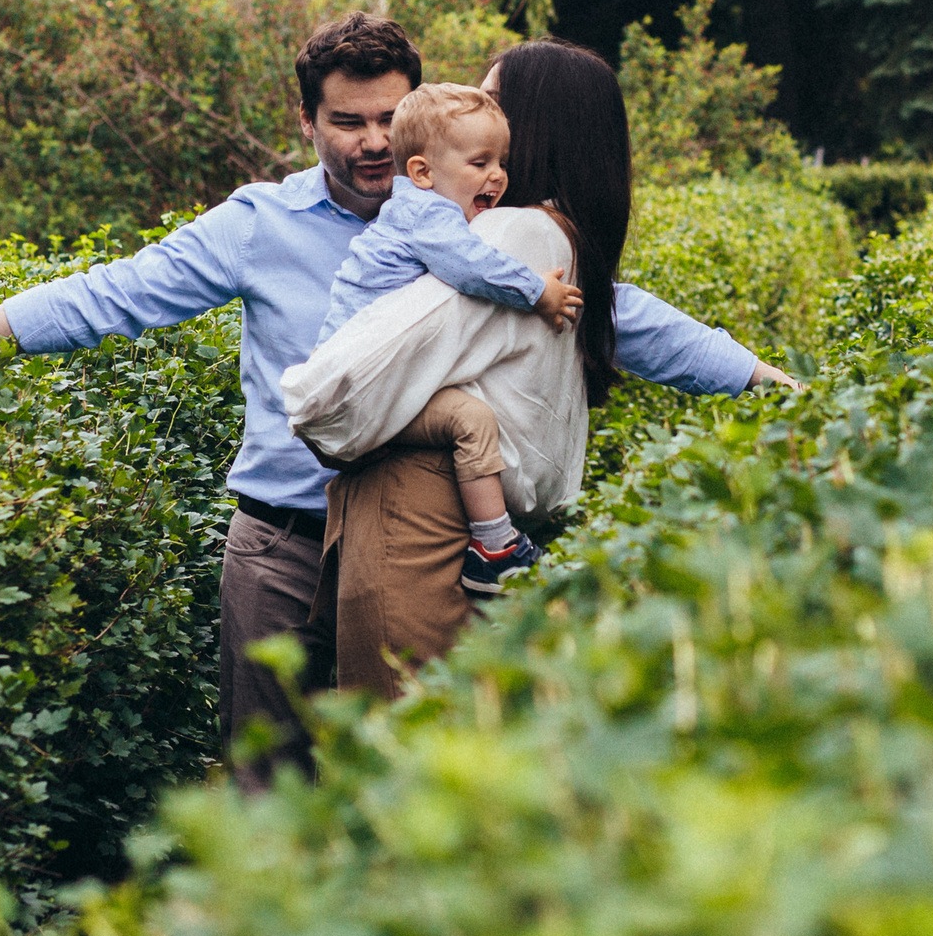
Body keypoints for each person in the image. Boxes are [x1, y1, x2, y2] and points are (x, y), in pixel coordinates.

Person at [0, 12, 792, 786]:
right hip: (279, 545)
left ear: (424, 122)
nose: (369, 142)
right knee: (265, 787)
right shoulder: (261, 223)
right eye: (345, 121)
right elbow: (108, 295)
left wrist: (765, 381)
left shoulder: (480, 231)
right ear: (307, 120)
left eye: (389, 119)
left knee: (401, 780)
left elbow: (625, 318)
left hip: (413, 546)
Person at [287, 35, 692, 704]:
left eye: (495, 100)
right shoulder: (527, 239)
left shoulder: (515, 236)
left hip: (414, 520)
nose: (475, 108)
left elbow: (345, 386)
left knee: (407, 740)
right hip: (435, 517)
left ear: (537, 125)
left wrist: (307, 404)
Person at [309, 80, 581, 595]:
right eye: (480, 163)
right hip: (357, 391)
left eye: (502, 161)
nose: (498, 175)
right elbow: (471, 267)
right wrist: (536, 290)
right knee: (472, 421)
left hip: (364, 388)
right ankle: (496, 546)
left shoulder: (424, 210)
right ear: (422, 172)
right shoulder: (427, 215)